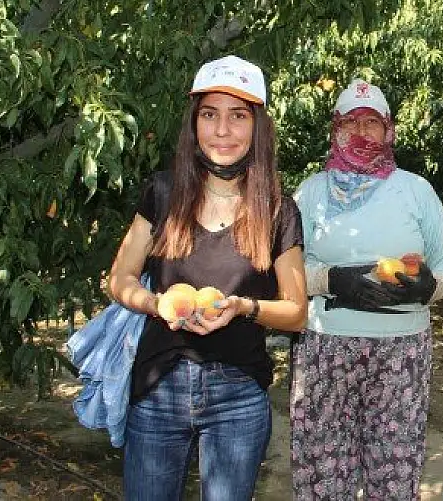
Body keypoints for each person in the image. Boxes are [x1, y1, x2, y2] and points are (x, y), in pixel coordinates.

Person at [106, 55, 308, 501]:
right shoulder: (162, 193)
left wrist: (242, 307)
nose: (222, 130)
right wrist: (154, 303)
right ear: (193, 124)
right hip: (159, 385)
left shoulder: (277, 209)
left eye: (238, 116)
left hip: (237, 395)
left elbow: (296, 312)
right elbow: (118, 278)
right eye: (209, 114)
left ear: (258, 127)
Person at [290, 77, 443, 500]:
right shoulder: (311, 193)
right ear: (335, 130)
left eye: (372, 123)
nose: (361, 132)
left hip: (401, 352)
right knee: (323, 472)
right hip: (326, 347)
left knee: (393, 471)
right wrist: (331, 281)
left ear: (389, 131)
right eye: (351, 123)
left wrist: (433, 287)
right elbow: (290, 267)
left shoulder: (415, 189)